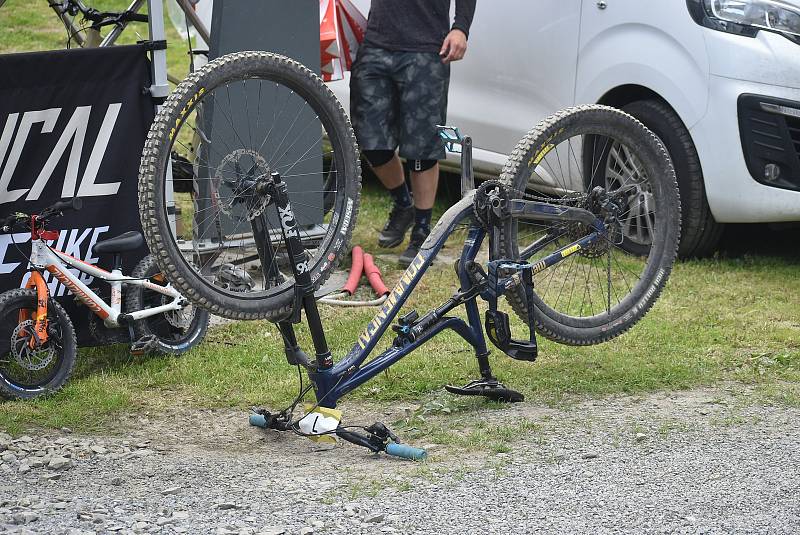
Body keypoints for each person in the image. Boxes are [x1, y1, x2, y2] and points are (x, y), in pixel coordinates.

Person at [350, 0, 476, 267]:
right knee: (370, 141)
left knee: (422, 148)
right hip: (376, 45)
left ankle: (422, 230)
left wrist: (461, 28)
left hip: (427, 49)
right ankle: (403, 204)